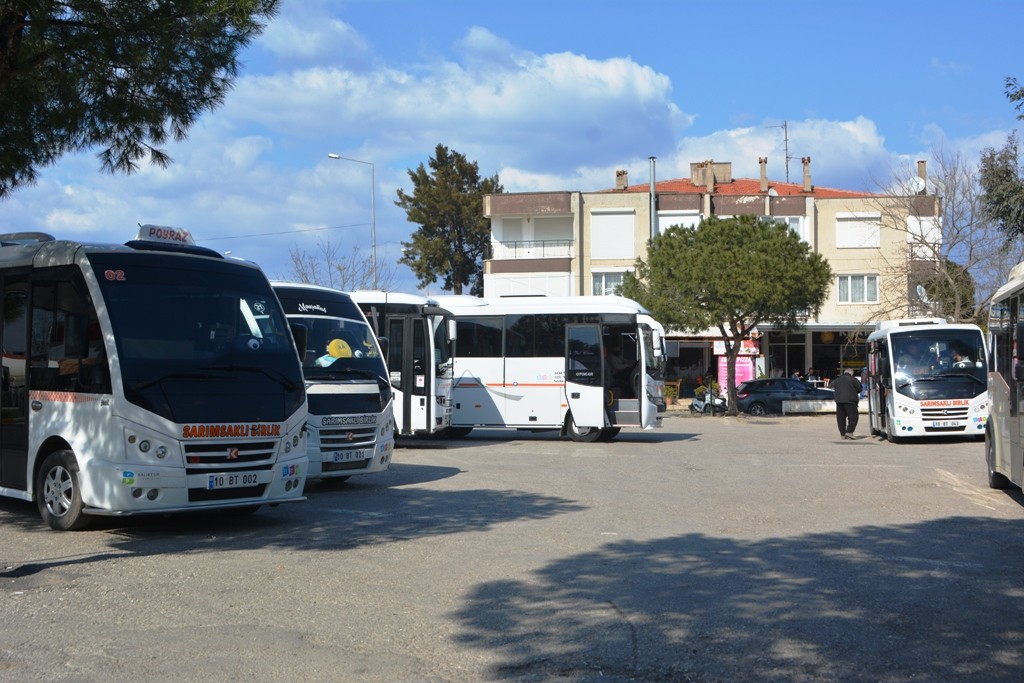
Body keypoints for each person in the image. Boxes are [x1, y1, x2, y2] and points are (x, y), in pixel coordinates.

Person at [830, 367, 863, 440]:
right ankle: (849, 432)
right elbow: (859, 389)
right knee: (853, 417)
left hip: (839, 401)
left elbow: (830, 386)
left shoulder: (837, 379)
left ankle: (843, 434)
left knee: (841, 418)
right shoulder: (853, 379)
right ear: (851, 373)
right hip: (850, 401)